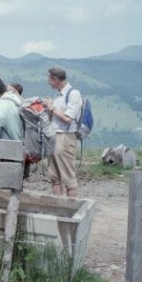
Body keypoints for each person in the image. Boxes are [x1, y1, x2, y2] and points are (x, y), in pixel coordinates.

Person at [43, 67, 82, 197]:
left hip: (65, 137)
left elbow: (68, 118)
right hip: (54, 136)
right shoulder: (57, 94)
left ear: (55, 79)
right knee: (54, 177)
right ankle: (57, 208)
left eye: (49, 79)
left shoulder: (74, 94)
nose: (48, 82)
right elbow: (55, 116)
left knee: (68, 178)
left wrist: (52, 108)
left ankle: (71, 211)